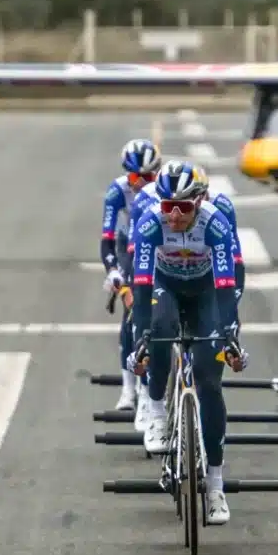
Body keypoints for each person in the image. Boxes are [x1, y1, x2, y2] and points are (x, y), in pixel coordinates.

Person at [127, 160, 249, 525]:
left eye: (182, 207)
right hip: (164, 286)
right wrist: (142, 339)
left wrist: (230, 333)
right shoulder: (150, 222)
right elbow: (142, 285)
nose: (175, 215)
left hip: (206, 292)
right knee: (159, 327)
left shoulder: (215, 221)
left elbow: (226, 284)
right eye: (168, 206)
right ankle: (157, 410)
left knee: (209, 382)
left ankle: (215, 485)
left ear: (199, 201)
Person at [99, 138, 162, 412]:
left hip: (158, 243)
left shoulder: (165, 189)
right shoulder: (118, 191)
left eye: (149, 177)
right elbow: (107, 239)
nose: (143, 183)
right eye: (137, 177)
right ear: (128, 174)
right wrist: (114, 271)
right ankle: (128, 389)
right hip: (129, 247)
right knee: (132, 312)